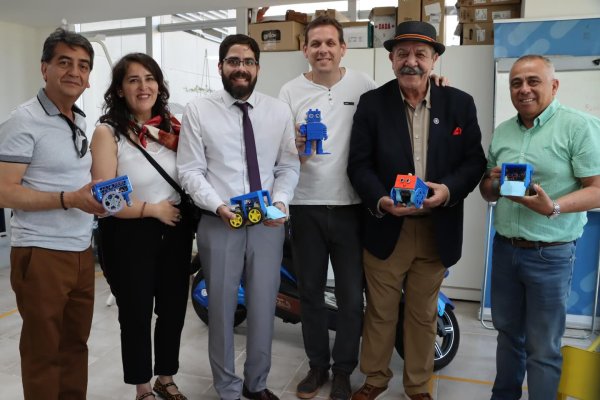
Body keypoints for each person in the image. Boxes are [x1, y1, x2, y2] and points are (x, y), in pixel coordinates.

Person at [347, 21, 486, 400]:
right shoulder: (373, 104)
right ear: (391, 59)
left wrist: (448, 191)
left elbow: (474, 161)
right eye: (403, 54)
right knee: (380, 311)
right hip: (386, 226)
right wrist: (381, 200)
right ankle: (375, 379)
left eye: (420, 54)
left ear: (434, 59)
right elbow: (359, 165)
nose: (411, 61)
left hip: (436, 229)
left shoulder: (459, 103)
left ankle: (418, 385)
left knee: (423, 313)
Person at [177, 34, 300, 400]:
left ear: (258, 68)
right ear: (221, 67)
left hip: (267, 224)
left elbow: (288, 165)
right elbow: (190, 170)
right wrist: (217, 205)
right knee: (221, 308)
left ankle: (256, 383)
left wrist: (281, 202)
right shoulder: (198, 110)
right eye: (233, 61)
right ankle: (228, 389)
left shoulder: (278, 111)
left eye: (248, 62)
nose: (241, 68)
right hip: (220, 222)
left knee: (263, 306)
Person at [479, 55, 600, 400]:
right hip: (505, 249)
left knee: (543, 345)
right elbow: (487, 190)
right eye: (516, 83)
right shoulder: (503, 131)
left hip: (551, 255)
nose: (524, 89)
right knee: (507, 335)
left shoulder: (579, 126)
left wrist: (554, 207)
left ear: (554, 85)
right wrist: (492, 182)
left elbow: (597, 188)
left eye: (533, 81)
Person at [0, 28, 106, 399]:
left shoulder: (79, 118)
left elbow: (70, 179)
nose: (74, 72)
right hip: (41, 252)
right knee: (43, 351)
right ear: (45, 68)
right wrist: (69, 199)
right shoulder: (22, 120)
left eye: (83, 66)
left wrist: (94, 197)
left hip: (80, 250)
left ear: (89, 77)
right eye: (64, 62)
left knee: (75, 345)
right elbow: (4, 191)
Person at [278, 16, 376, 400]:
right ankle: (317, 365)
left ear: (342, 48)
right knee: (310, 293)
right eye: (315, 44)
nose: (323, 50)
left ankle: (343, 370)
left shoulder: (364, 85)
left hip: (351, 207)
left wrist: (436, 81)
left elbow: (397, 104)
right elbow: (282, 151)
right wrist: (296, 150)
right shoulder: (289, 91)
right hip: (305, 206)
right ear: (305, 49)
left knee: (351, 297)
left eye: (330, 43)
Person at [91, 53, 193, 400]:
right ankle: (142, 387)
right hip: (128, 234)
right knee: (136, 313)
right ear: (120, 89)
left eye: (150, 79)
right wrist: (152, 209)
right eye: (133, 80)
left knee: (173, 309)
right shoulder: (108, 132)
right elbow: (107, 199)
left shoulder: (173, 128)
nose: (143, 86)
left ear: (159, 86)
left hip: (174, 228)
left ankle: (166, 377)